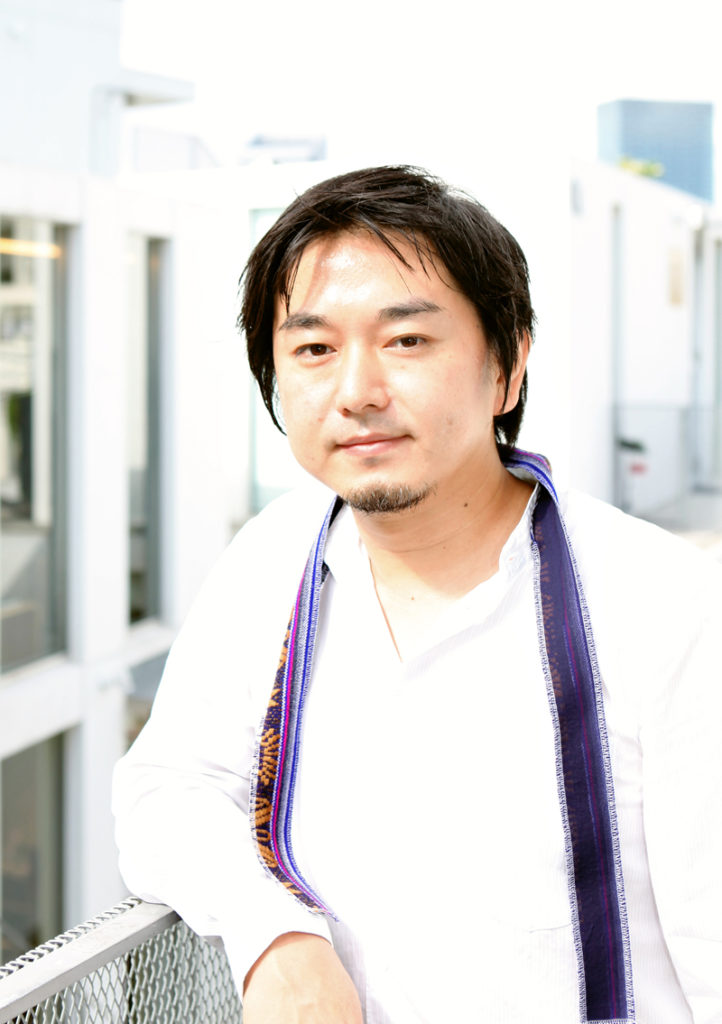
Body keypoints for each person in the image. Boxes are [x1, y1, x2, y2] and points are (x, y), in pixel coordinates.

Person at [112, 166, 722, 1024]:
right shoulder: (274, 560)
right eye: (314, 349)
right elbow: (168, 784)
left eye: (406, 341)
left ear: (508, 364)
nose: (357, 390)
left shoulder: (662, 604)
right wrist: (274, 938)